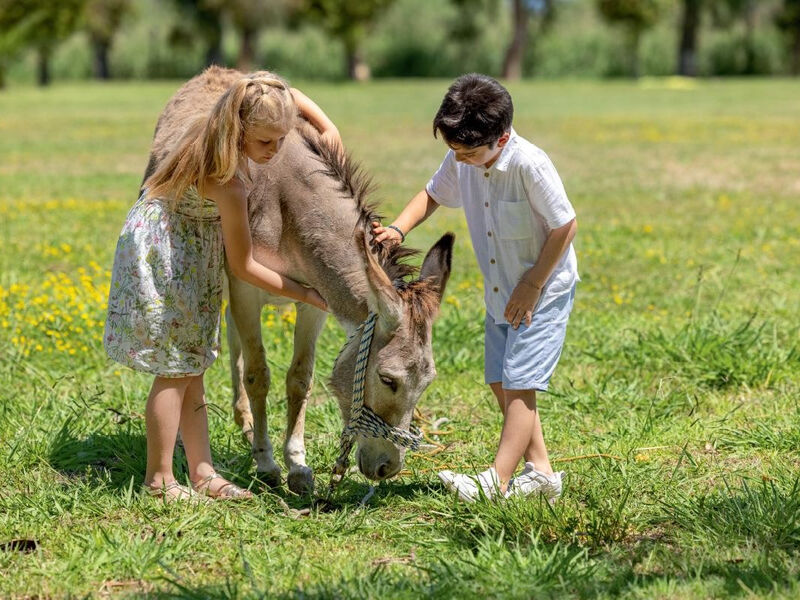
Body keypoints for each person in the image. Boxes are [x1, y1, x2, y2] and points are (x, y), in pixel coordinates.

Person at [104, 71, 337, 502]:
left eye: (283, 139)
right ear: (241, 129)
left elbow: (289, 96)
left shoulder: (222, 121)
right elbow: (245, 266)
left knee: (193, 368)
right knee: (174, 372)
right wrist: (304, 293)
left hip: (186, 252)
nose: (276, 151)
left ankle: (203, 472)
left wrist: (327, 126)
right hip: (169, 258)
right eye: (267, 142)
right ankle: (159, 481)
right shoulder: (227, 181)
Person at [372, 73, 578, 503]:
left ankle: (495, 482)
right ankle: (540, 474)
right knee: (499, 380)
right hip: (500, 291)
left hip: (541, 291)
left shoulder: (528, 164)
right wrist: (397, 228)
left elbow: (565, 225)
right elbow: (431, 194)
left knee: (520, 383)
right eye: (452, 149)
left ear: (501, 139)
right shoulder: (462, 159)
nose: (458, 159)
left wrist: (534, 283)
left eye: (467, 151)